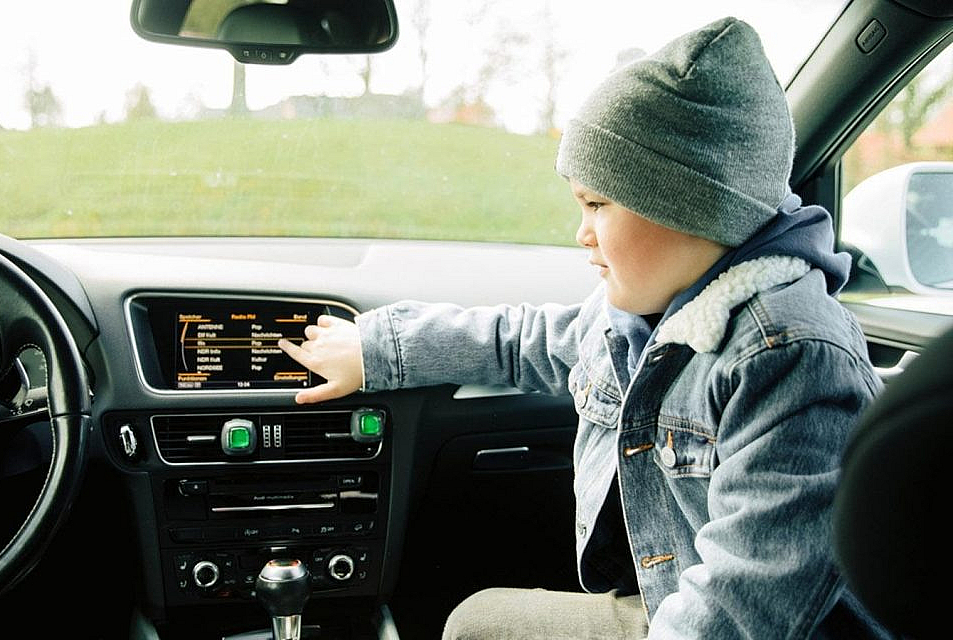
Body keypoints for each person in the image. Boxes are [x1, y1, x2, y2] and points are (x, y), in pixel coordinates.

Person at [279, 16, 891, 639]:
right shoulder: (646, 310)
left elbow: (738, 611)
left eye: (597, 203)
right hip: (669, 594)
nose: (582, 234)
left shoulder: (789, 360)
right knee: (475, 621)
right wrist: (376, 349)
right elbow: (528, 339)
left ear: (687, 205)